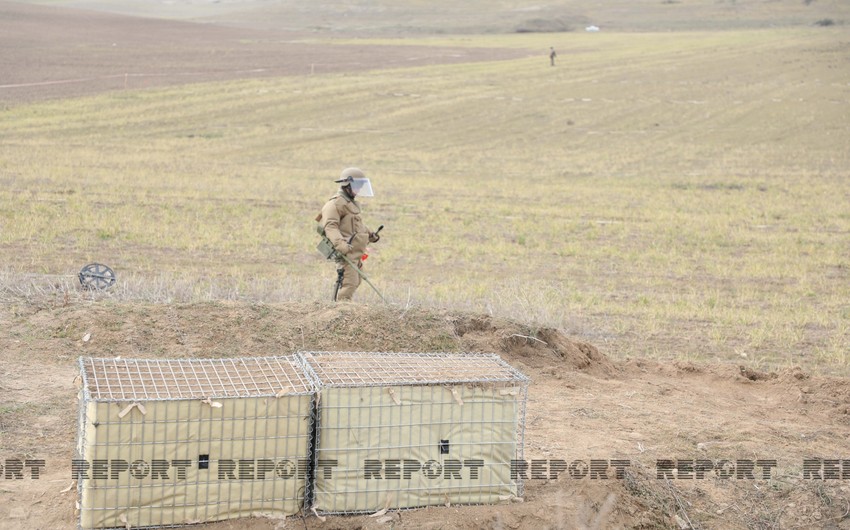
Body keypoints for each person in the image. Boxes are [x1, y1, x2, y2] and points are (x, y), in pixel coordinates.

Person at [317, 167, 380, 301]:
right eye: (356, 186)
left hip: (355, 252)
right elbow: (330, 226)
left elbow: (357, 225)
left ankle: (342, 308)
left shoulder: (349, 203)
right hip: (347, 252)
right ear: (346, 185)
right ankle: (341, 310)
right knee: (348, 284)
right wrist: (341, 245)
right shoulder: (335, 204)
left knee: (356, 281)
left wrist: (370, 234)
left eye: (360, 186)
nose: (358, 190)